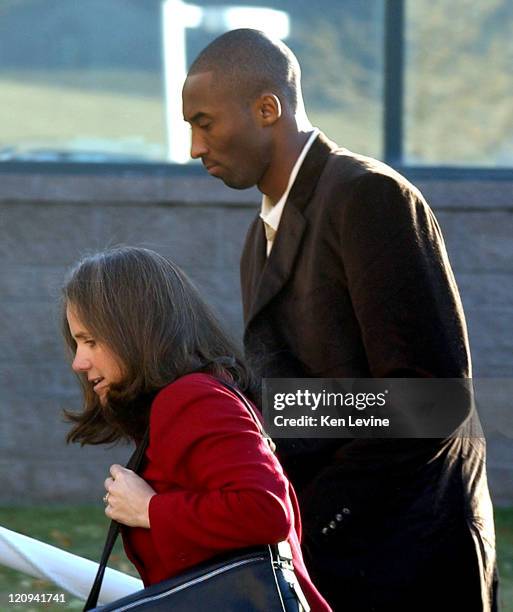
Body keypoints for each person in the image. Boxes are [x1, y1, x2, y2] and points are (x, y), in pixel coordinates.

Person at [182, 28, 498, 611]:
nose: (195, 147)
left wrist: (308, 518)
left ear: (267, 108)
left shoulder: (369, 197)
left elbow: (430, 403)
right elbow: (301, 396)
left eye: (204, 122)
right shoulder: (259, 239)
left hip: (411, 555)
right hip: (333, 561)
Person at [61, 246, 331, 612]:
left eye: (90, 341)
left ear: (137, 330)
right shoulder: (195, 395)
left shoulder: (192, 398)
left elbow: (266, 510)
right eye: (77, 343)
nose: (79, 361)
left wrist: (149, 510)